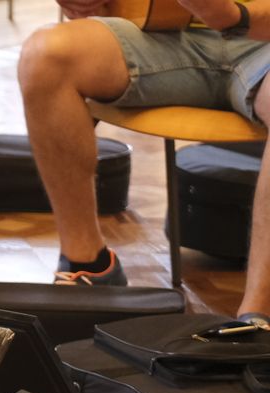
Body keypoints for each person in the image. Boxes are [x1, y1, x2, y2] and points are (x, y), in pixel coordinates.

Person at [19, 0, 269, 325]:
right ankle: (88, 265)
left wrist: (236, 15)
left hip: (262, 45)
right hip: (160, 33)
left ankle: (257, 315)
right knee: (45, 54)